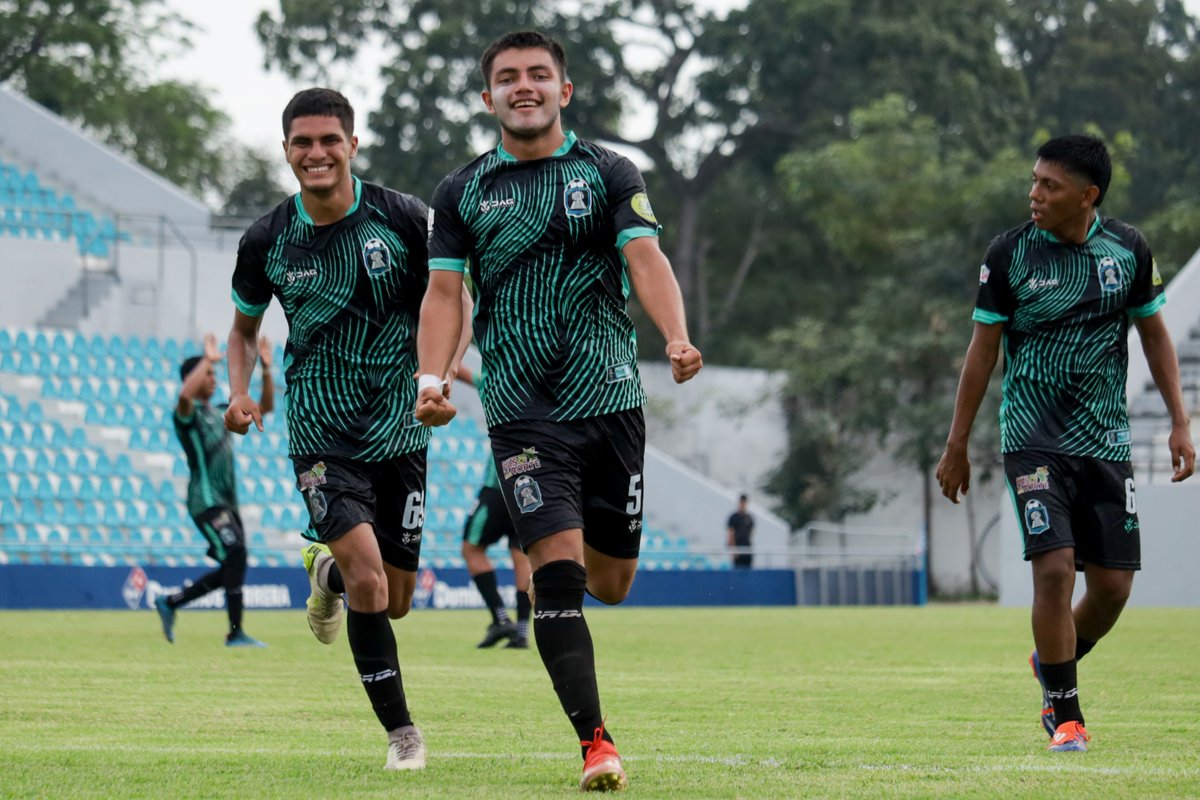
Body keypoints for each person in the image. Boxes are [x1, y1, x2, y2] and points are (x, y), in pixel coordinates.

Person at [414, 30, 703, 791]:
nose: (524, 86)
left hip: (609, 400)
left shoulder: (609, 170)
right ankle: (595, 743)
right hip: (520, 410)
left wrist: (675, 337)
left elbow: (646, 258)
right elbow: (446, 294)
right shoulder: (462, 192)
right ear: (488, 99)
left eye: (539, 74)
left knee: (612, 582)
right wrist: (430, 378)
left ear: (563, 91)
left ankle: (591, 714)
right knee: (557, 572)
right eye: (507, 78)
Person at [222, 87, 471, 771]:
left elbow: (453, 303)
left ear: (352, 146)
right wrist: (240, 391)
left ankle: (323, 573)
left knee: (393, 601)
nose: (316, 153)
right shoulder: (267, 239)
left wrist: (439, 379)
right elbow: (243, 331)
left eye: (329, 140)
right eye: (302, 143)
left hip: (401, 428)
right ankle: (403, 738)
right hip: (319, 430)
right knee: (370, 584)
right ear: (286, 152)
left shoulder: (403, 218)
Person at [935, 135, 1194, 753]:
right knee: (1052, 570)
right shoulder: (1009, 255)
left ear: (1088, 195)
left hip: (1105, 439)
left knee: (1112, 589)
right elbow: (982, 350)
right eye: (1034, 181)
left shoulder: (1128, 249)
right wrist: (957, 442)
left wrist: (1182, 421)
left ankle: (1051, 662)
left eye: (1049, 186)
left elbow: (1156, 336)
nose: (1034, 194)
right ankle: (1065, 713)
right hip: (1033, 437)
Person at [154, 332, 273, 648]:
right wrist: (208, 358)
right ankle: (235, 633)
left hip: (227, 502)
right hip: (206, 500)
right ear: (193, 378)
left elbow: (266, 407)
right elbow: (183, 397)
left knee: (234, 564)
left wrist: (265, 369)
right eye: (208, 374)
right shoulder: (187, 415)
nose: (214, 379)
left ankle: (172, 602)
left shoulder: (221, 410)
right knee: (235, 554)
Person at [457, 364, 533, 649]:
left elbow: (468, 375)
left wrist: (435, 368)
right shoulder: (549, 388)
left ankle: (501, 618)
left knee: (471, 548)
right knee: (520, 557)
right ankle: (523, 631)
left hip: (498, 486)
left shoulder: (504, 382)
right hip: (530, 486)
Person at [726, 494, 754, 569]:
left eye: (744, 503)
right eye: (741, 502)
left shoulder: (749, 518)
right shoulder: (733, 517)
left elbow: (750, 533)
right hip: (738, 550)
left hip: (747, 550)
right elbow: (730, 534)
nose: (743, 504)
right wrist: (733, 550)